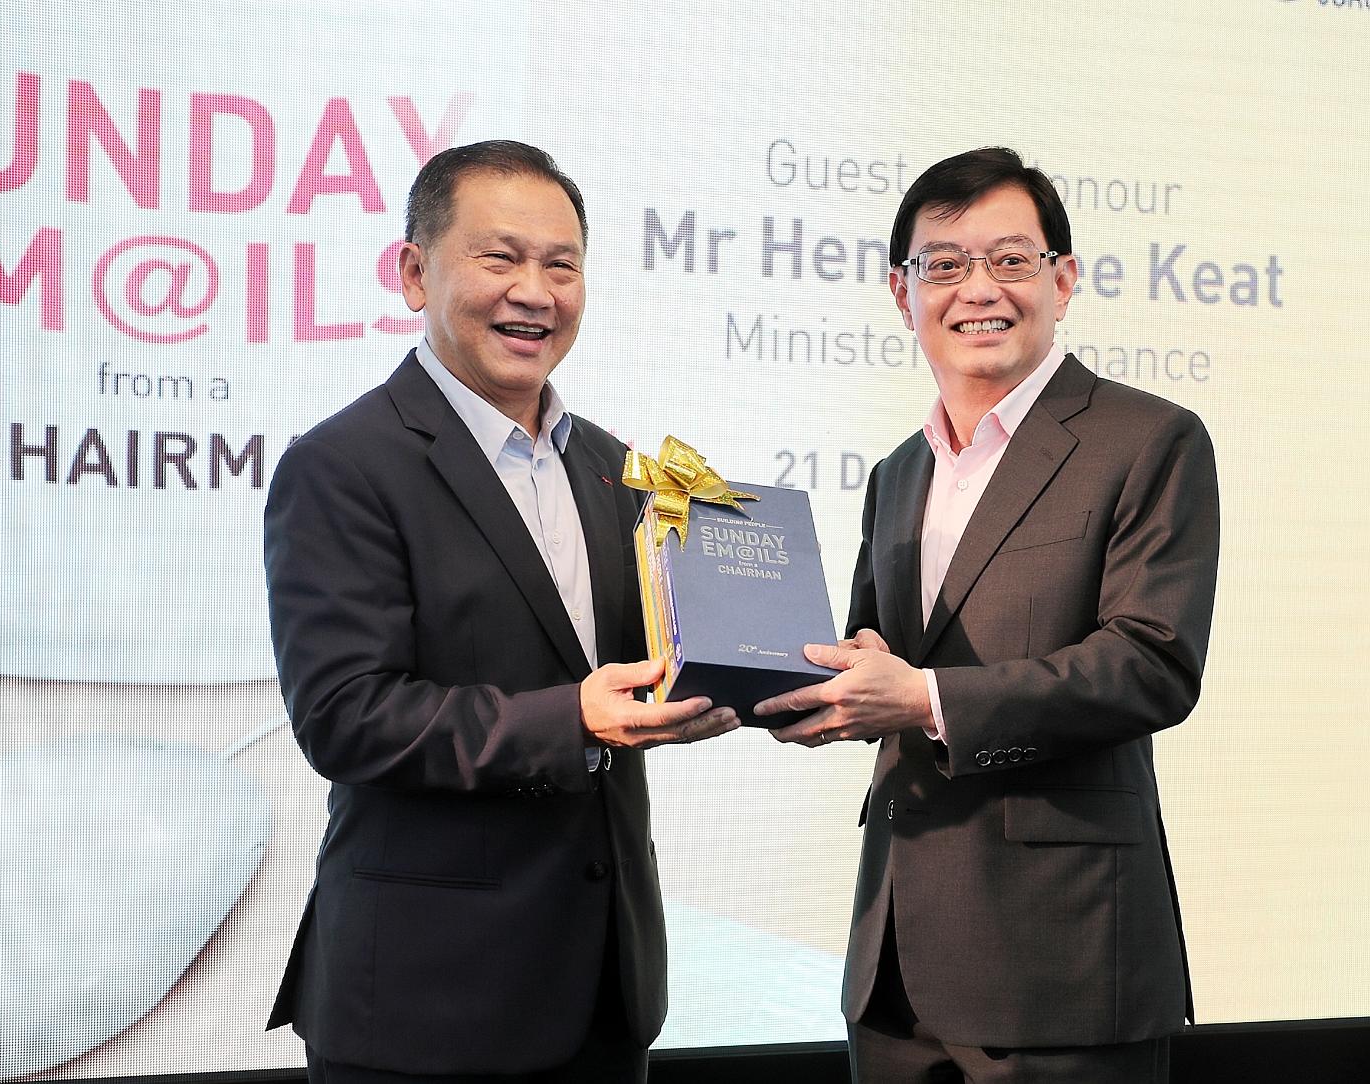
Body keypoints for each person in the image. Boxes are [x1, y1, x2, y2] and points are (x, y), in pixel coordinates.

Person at [263, 140, 738, 1083]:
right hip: (426, 1004)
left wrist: (764, 675)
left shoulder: (616, 467)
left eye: (562, 265)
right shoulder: (343, 465)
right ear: (414, 273)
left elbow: (659, 659)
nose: (536, 292)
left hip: (604, 994)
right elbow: (345, 716)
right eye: (501, 258)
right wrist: (575, 718)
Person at [754, 147, 1220, 1083]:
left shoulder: (1148, 439)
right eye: (945, 264)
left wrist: (924, 698)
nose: (979, 289)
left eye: (1011, 260)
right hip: (893, 967)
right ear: (903, 293)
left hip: (1061, 959)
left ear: (1063, 280)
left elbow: (1152, 665)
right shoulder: (898, 472)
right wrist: (793, 685)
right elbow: (879, 658)